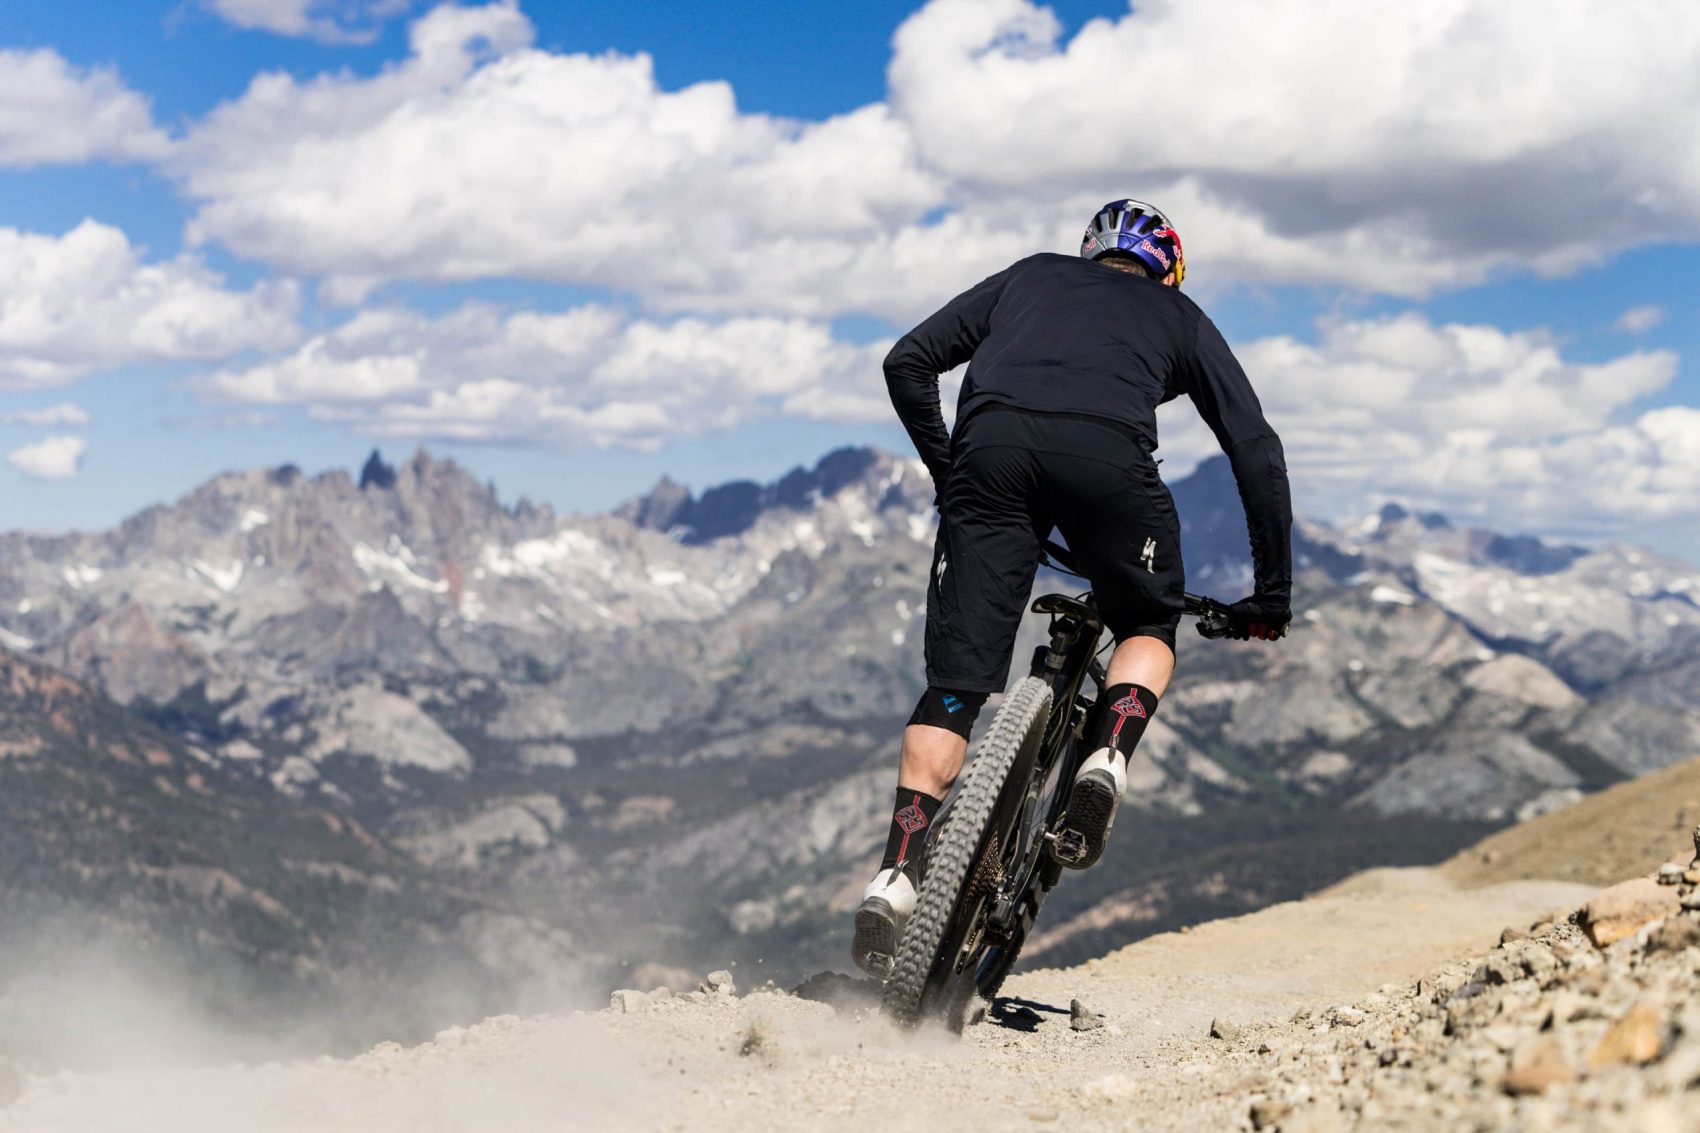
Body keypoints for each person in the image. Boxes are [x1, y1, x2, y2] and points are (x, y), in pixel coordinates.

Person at [852, 199, 1293, 978]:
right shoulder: (1176, 314)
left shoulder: (1028, 278)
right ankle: (1107, 760)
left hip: (989, 457)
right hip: (1108, 469)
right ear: (1169, 269)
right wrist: (1271, 591)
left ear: (1089, 254)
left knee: (953, 688)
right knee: (1148, 624)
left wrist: (952, 471)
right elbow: (1254, 445)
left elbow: (906, 361)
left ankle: (895, 874)